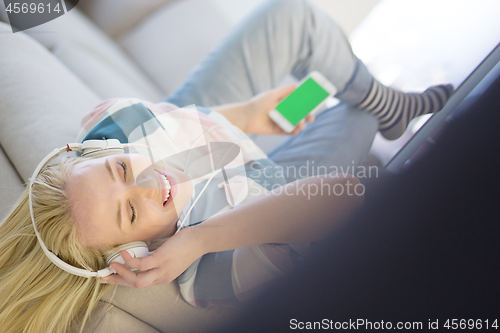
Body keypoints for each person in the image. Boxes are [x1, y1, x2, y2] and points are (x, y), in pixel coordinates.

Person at [0, 0, 453, 332]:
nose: (144, 183)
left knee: (292, 19)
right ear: (131, 256)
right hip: (272, 191)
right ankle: (386, 107)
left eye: (119, 170)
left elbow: (163, 130)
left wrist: (243, 116)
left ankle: (386, 105)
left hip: (213, 134)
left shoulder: (110, 140)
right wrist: (199, 239)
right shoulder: (208, 273)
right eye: (131, 213)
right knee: (357, 115)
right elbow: (347, 194)